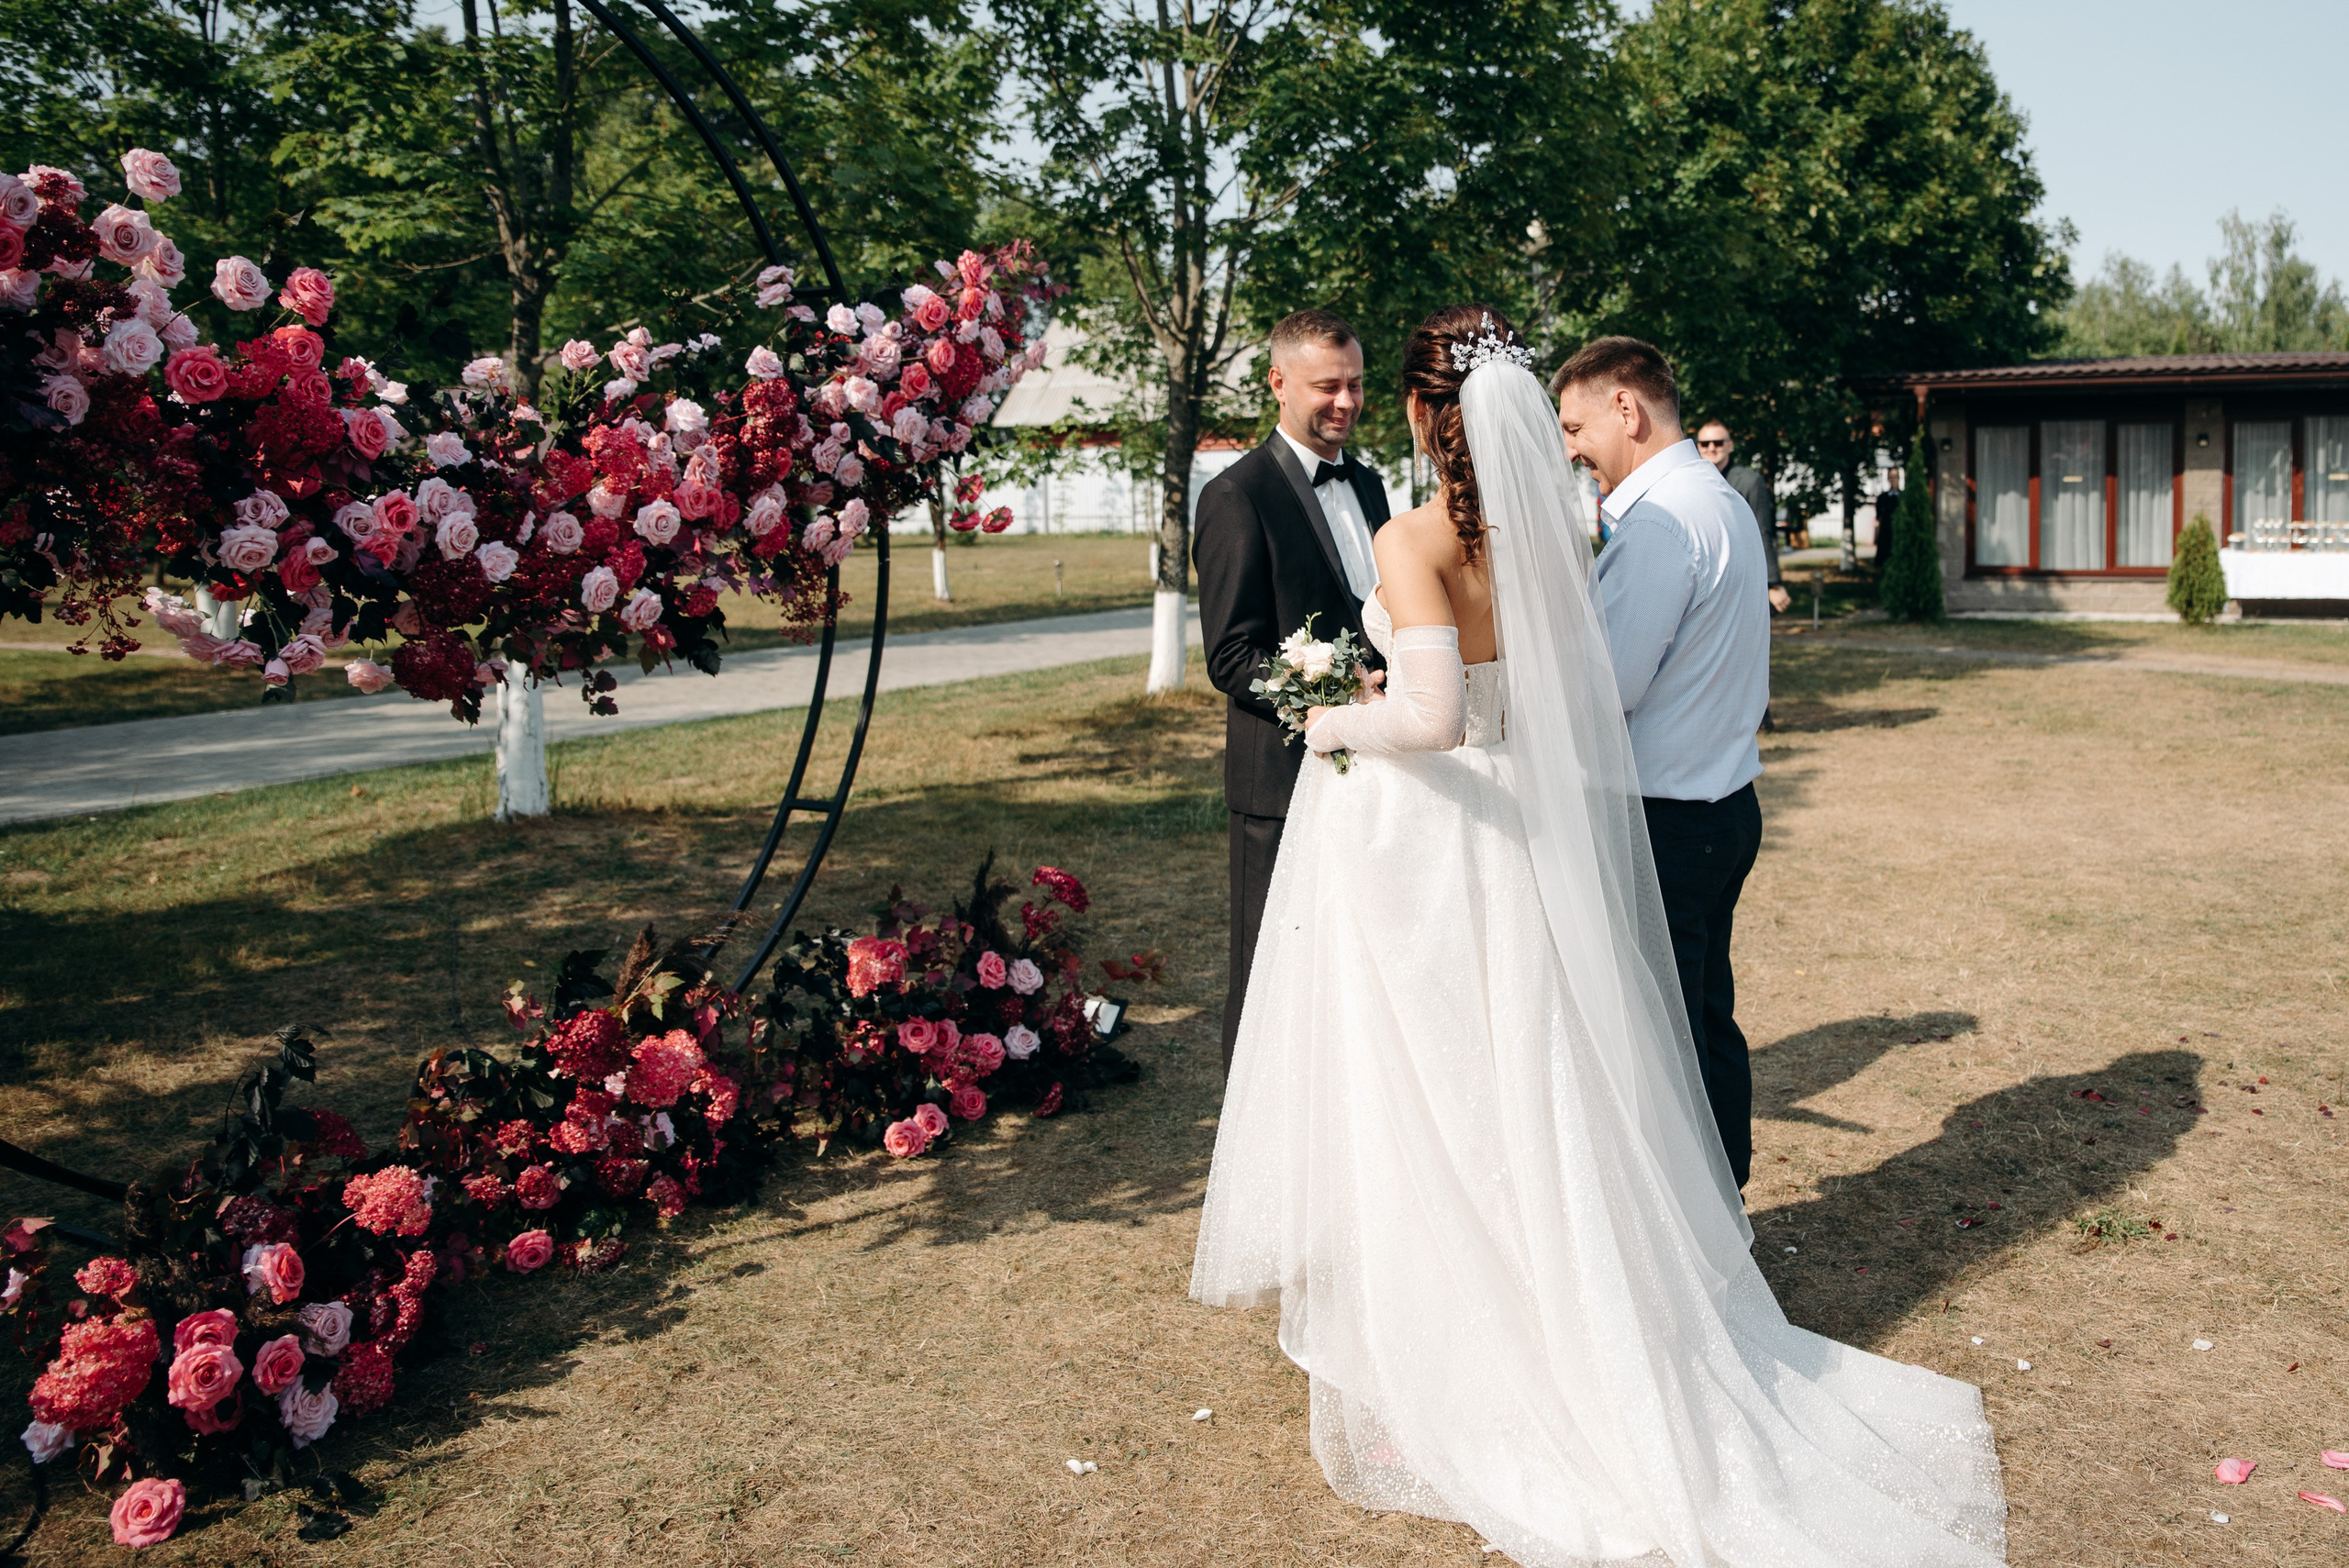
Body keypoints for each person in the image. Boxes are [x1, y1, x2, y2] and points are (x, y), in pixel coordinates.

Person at [1190, 305, 2004, 1566]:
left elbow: (1431, 715)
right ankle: (1552, 1312)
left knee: (1432, 1098)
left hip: (1428, 833)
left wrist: (1331, 726)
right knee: (1526, 1092)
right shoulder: (1559, 536)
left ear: (1419, 413)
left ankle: (1456, 1358)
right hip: (1517, 839)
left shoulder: (1412, 538)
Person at [1556, 340, 1767, 1188]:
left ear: (1626, 411)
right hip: (1722, 805)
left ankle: (1700, 1222)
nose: (1571, 446)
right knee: (1705, 1018)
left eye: (1575, 426)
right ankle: (1729, 1195)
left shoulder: (1659, 524)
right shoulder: (1720, 501)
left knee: (1662, 1037)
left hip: (1667, 822)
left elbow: (1606, 684)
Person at [1194, 308, 1391, 1073]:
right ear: (1277, 383)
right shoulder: (1237, 495)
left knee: (1350, 961)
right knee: (1269, 965)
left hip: (1373, 767)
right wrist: (1336, 698)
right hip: (1278, 781)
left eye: (1356, 385)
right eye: (1327, 386)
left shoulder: (1371, 485)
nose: (1345, 401)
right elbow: (1232, 653)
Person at [1697, 417, 1793, 614]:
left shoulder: (1750, 482)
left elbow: (1763, 532)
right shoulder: (1691, 482)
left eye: (1718, 443)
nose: (1711, 448)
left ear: (1730, 446)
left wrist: (1773, 584)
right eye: (1705, 443)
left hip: (1740, 577)